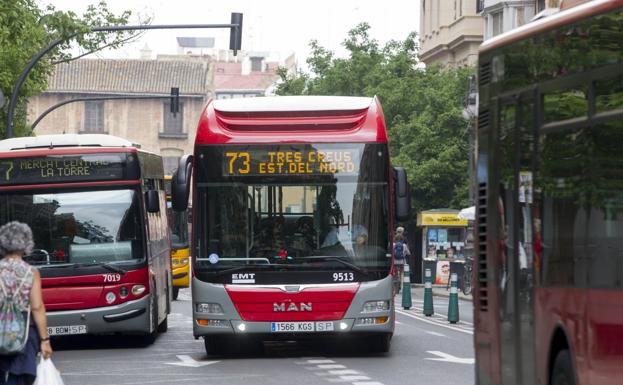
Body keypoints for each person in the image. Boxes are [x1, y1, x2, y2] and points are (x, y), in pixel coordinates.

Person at [0, 222, 53, 385]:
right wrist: (45, 340)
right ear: (27, 244)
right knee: (20, 374)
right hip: (24, 329)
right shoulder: (31, 272)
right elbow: (37, 307)